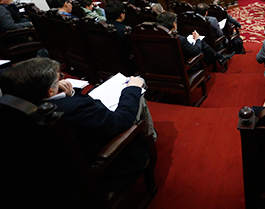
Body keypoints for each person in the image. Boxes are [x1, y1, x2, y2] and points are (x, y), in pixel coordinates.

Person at [0, 57, 156, 192]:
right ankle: (150, 140)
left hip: (48, 170)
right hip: (106, 168)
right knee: (137, 96)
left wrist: (68, 95)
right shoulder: (74, 109)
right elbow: (120, 122)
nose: (61, 79)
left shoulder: (15, 108)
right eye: (58, 77)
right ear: (49, 92)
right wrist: (133, 89)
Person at [157, 12, 233, 70]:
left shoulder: (152, 36)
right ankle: (218, 57)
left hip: (160, 67)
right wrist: (197, 39)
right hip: (182, 68)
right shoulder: (179, 39)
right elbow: (196, 51)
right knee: (201, 44)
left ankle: (219, 57)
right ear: (174, 24)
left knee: (201, 43)